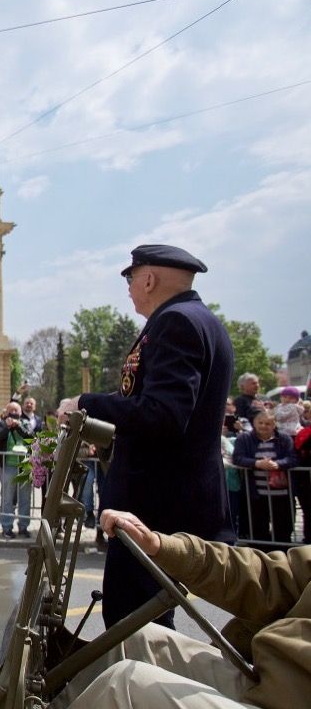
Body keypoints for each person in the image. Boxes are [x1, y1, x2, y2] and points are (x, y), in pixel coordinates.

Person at [61, 244, 235, 629]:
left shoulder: (176, 323)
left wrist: (85, 403)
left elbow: (163, 415)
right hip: (173, 501)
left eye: (131, 277)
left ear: (149, 279)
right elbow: (154, 403)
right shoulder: (199, 320)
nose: (128, 287)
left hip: (157, 506)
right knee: (148, 622)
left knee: (134, 625)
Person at [55, 508, 311, 709]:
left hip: (285, 697)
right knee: (135, 638)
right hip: (270, 680)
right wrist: (159, 545)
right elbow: (269, 576)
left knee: (126, 685)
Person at [232, 409, 298, 548]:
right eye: (260, 422)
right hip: (256, 494)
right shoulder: (244, 438)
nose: (263, 426)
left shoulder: (285, 439)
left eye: (268, 423)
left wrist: (278, 464)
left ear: (274, 424)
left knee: (284, 529)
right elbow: (237, 458)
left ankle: (282, 555)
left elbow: (292, 458)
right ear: (254, 423)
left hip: (282, 494)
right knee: (258, 529)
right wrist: (257, 463)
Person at [0, 401, 35, 538]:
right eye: (10, 410)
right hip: (8, 465)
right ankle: (7, 527)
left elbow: (31, 437)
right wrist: (7, 426)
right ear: (6, 412)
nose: (13, 413)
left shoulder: (25, 423)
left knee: (25, 497)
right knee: (7, 497)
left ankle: (23, 526)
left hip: (24, 465)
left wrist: (18, 426)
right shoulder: (1, 423)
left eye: (16, 410)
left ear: (20, 412)